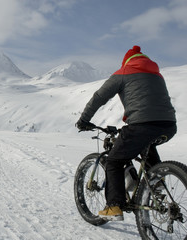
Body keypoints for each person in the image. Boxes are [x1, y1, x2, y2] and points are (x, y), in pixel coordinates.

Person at [75, 46, 177, 221]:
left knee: (114, 161)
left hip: (141, 125)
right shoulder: (156, 75)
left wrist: (84, 120)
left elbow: (99, 97)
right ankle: (157, 182)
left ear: (127, 61)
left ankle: (114, 206)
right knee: (146, 143)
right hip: (168, 126)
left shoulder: (124, 72)